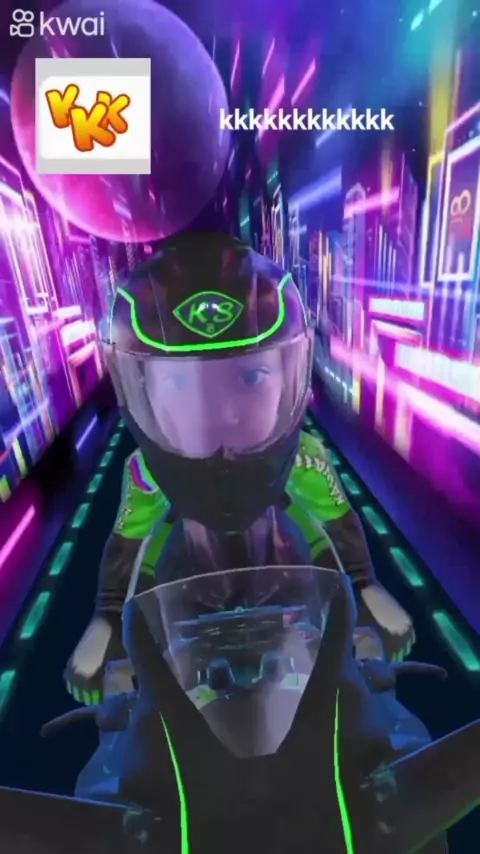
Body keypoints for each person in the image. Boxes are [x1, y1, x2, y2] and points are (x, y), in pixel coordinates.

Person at [64, 231, 414, 704]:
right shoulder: (154, 472)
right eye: (181, 385)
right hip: (195, 598)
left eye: (250, 376)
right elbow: (127, 550)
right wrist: (106, 620)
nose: (221, 414)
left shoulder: (299, 457)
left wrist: (365, 585)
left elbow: (338, 529)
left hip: (286, 590)